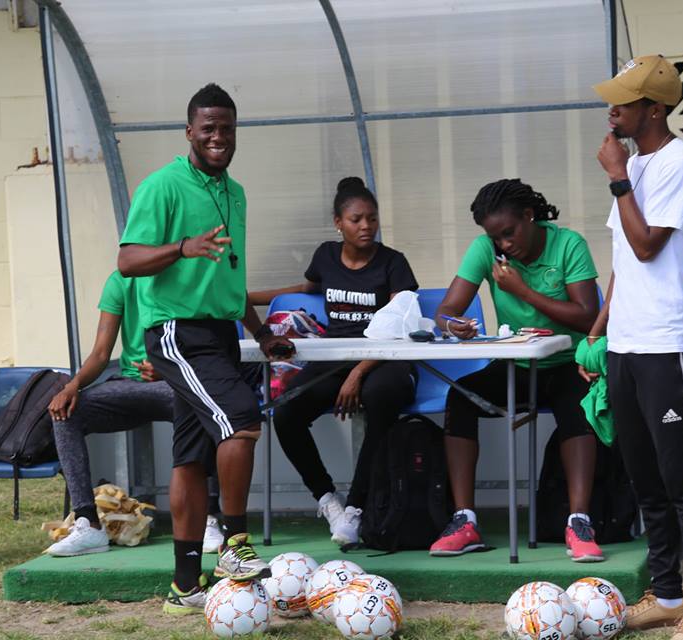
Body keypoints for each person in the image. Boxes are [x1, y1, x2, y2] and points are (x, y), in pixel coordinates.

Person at [116, 83, 293, 615]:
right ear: (190, 131)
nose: (219, 137)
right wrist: (182, 248)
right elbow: (127, 260)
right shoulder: (162, 186)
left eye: (227, 128)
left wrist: (260, 333)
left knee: (191, 456)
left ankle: (184, 586)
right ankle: (234, 545)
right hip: (177, 331)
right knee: (241, 421)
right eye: (209, 128)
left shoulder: (235, 193)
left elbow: (230, 279)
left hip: (220, 335)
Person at [582, 55, 683, 640]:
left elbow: (647, 246)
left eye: (624, 100)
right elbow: (623, 261)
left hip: (667, 344)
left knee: (682, 479)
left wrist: (618, 177)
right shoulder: (637, 163)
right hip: (626, 345)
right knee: (643, 476)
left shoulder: (677, 163)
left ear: (654, 109)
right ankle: (666, 594)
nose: (611, 109)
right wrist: (599, 330)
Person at [429, 178, 604, 564]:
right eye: (496, 238)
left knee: (578, 406)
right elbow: (446, 311)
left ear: (529, 215)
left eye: (509, 233)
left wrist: (523, 291)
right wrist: (452, 325)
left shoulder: (568, 245)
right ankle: (465, 521)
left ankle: (579, 522)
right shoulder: (485, 249)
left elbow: (588, 316)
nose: (504, 245)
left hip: (568, 363)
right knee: (460, 396)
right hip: (516, 367)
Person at [247, 177, 419, 546]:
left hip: (386, 359)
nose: (366, 226)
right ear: (338, 223)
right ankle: (329, 501)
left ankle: (356, 508)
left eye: (372, 218)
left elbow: (396, 330)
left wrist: (357, 373)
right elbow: (307, 289)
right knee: (286, 412)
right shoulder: (326, 255)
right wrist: (245, 298)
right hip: (335, 358)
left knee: (381, 398)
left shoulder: (394, 263)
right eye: (356, 219)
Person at [44, 269, 224, 557]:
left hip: (179, 382)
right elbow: (101, 354)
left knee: (204, 406)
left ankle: (206, 518)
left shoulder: (190, 275)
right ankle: (88, 524)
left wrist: (169, 369)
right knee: (68, 413)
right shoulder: (120, 281)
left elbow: (210, 345)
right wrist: (72, 386)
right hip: (129, 384)